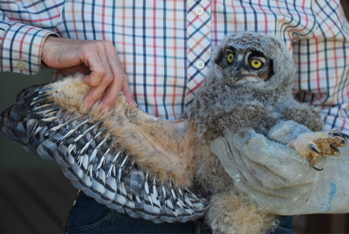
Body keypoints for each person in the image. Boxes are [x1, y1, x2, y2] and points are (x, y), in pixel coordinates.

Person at [1, 0, 349, 233]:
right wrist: (46, 46)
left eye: (255, 63)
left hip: (258, 206)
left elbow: (334, 104)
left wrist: (302, 165)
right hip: (126, 195)